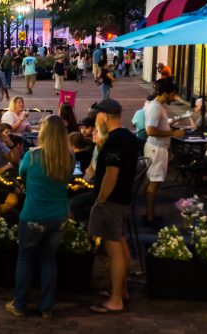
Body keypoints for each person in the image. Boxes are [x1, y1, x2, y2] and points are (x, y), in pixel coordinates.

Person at [5, 115, 73, 319]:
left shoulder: (32, 156)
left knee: (25, 259)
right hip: (59, 215)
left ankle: (20, 304)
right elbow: (68, 180)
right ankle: (46, 307)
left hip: (33, 214)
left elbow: (23, 175)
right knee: (48, 261)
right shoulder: (68, 158)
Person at [88, 99, 139, 314]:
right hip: (122, 199)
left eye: (97, 116)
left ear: (106, 116)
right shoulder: (128, 136)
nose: (95, 120)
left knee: (113, 250)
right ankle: (122, 290)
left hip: (111, 201)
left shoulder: (115, 141)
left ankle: (116, 299)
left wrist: (100, 201)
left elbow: (111, 174)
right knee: (120, 244)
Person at [143, 80, 185, 227]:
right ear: (166, 93)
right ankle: (149, 217)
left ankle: (150, 214)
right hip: (157, 148)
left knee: (153, 182)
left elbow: (155, 127)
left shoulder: (157, 106)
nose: (174, 98)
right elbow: (150, 130)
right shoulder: (155, 107)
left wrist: (169, 126)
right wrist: (172, 132)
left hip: (157, 147)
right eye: (173, 94)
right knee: (154, 183)